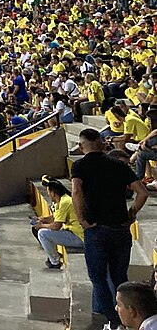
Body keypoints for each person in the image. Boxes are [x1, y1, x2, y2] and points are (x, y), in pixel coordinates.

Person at [72, 127, 149, 329]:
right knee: (119, 277)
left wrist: (81, 219)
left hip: (96, 229)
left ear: (81, 146)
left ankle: (114, 322)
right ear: (101, 143)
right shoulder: (117, 165)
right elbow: (142, 192)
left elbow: (77, 191)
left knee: (98, 279)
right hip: (120, 228)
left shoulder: (80, 166)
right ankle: (129, 318)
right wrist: (131, 214)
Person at [32, 177, 84, 269]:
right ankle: (54, 255)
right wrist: (43, 219)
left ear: (53, 193)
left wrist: (42, 225)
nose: (48, 194)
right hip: (72, 232)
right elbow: (56, 218)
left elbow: (56, 226)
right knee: (44, 230)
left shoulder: (65, 202)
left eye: (48, 192)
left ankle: (55, 262)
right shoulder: (61, 200)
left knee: (42, 233)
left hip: (78, 237)